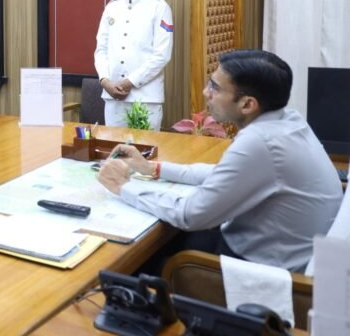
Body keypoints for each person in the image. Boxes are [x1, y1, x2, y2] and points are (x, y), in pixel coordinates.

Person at [97, 50, 342, 272]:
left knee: (125, 267)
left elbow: (190, 215)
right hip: (274, 252)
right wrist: (153, 168)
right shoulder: (288, 121)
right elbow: (223, 173)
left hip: (262, 276)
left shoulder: (260, 141)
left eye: (215, 87)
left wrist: (124, 187)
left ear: (247, 104)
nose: (206, 93)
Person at [94, 0, 173, 130]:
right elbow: (101, 50)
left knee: (145, 147)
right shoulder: (112, 7)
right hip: (113, 97)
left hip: (146, 98)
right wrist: (105, 81)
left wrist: (130, 82)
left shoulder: (159, 8)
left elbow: (161, 55)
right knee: (113, 146)